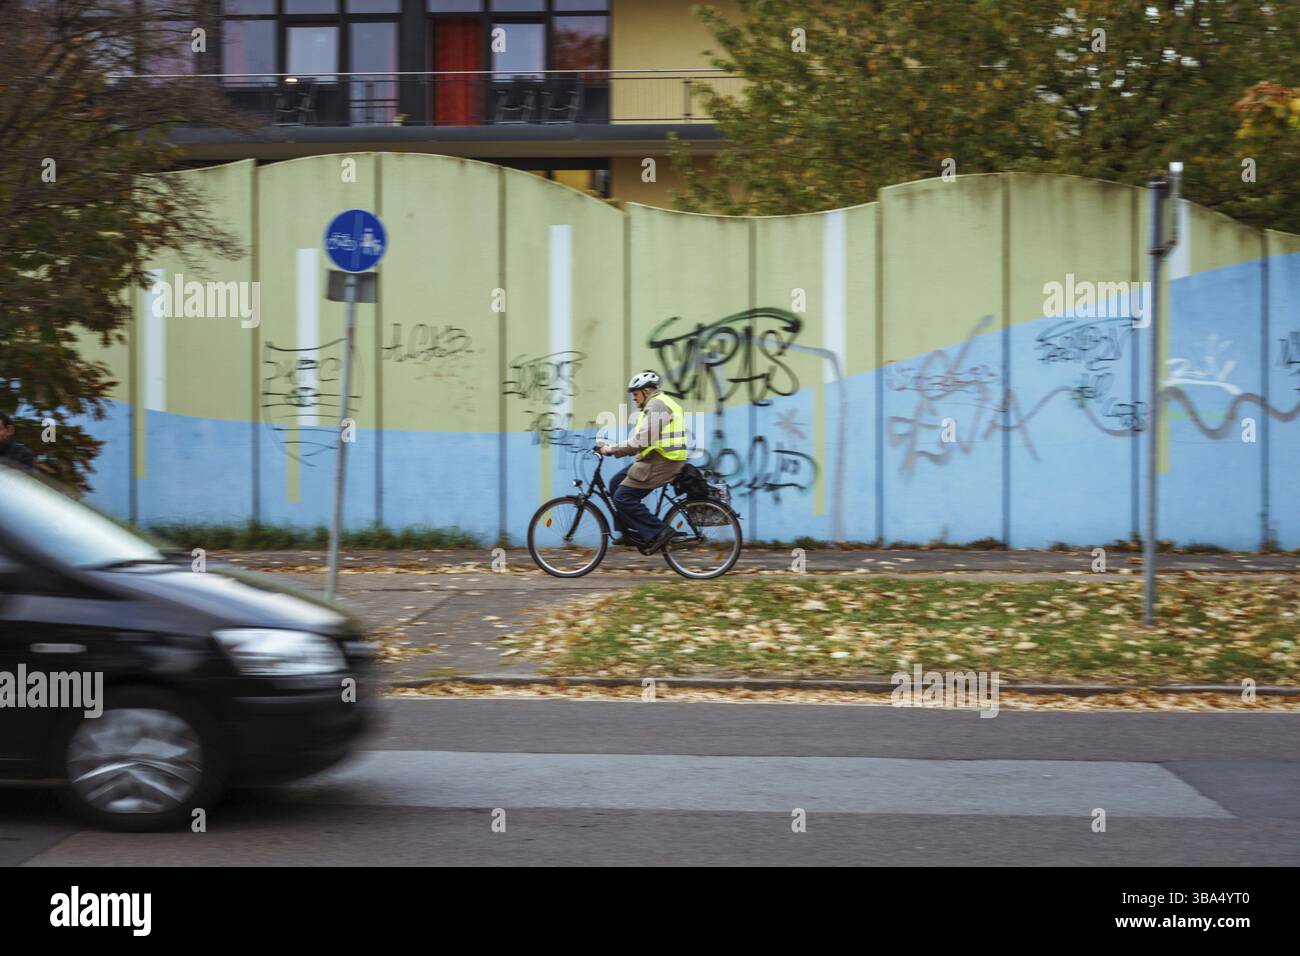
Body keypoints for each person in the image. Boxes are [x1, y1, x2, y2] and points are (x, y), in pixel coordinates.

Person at [597, 370, 688, 553]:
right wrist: (615, 446)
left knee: (623, 497)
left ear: (647, 391)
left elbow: (641, 441)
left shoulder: (657, 406)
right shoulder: (655, 404)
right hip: (655, 458)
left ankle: (660, 531)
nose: (633, 397)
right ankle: (629, 531)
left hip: (664, 461)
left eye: (636, 393)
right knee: (616, 483)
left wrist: (612, 449)